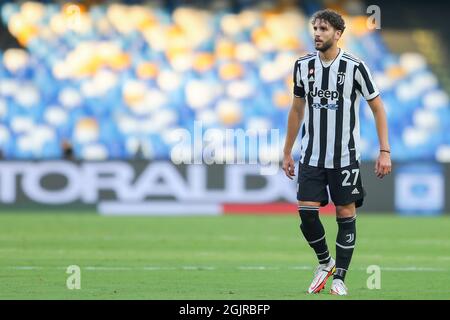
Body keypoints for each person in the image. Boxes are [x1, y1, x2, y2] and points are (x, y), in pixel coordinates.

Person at [282, 9, 391, 296]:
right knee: (306, 213)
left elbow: (378, 108)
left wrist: (384, 151)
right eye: (315, 28)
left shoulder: (355, 67)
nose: (317, 33)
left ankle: (340, 278)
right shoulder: (302, 66)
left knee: (344, 213)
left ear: (338, 34)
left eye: (324, 29)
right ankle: (325, 262)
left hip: (344, 157)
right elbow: (296, 110)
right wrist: (287, 152)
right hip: (311, 156)